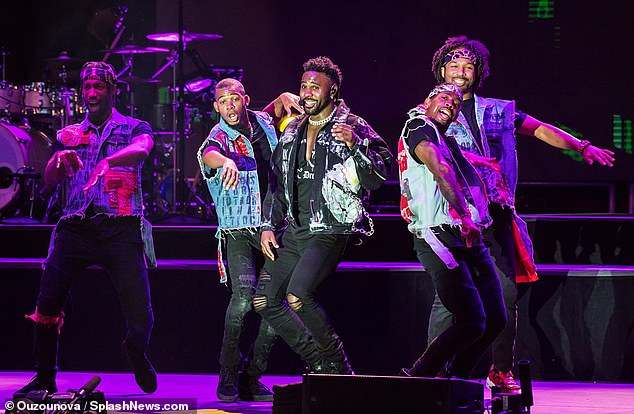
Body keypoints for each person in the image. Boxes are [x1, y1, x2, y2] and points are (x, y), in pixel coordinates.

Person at [427, 36, 616, 391]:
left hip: (494, 215)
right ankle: (432, 372)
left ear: (478, 73)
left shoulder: (497, 110)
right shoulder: (429, 112)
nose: (461, 72)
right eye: (453, 65)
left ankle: (500, 371)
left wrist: (582, 146)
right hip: (451, 217)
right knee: (448, 298)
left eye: (468, 67)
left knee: (505, 296)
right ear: (441, 69)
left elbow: (541, 129)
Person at [14, 61, 157, 397]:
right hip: (76, 226)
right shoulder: (69, 133)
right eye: (87, 87)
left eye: (99, 87)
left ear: (112, 90)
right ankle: (45, 378)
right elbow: (50, 180)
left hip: (119, 227)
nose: (92, 93)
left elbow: (143, 149)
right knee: (47, 304)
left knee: (141, 314)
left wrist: (110, 161)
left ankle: (135, 350)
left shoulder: (134, 127)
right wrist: (57, 161)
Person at [254, 56, 392, 374]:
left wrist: (358, 147)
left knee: (298, 295)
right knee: (264, 301)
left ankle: (338, 364)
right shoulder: (292, 132)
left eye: (315, 87)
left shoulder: (353, 125)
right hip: (295, 229)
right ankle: (318, 360)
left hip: (332, 226)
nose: (307, 92)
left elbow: (380, 176)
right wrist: (267, 226)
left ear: (332, 92)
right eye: (303, 86)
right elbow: (276, 184)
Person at [197, 78, 301, 402]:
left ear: (245, 100)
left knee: (272, 304)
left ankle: (251, 377)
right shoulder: (218, 137)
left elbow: (267, 114)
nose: (229, 105)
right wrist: (225, 161)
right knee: (243, 299)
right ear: (216, 106)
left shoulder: (262, 122)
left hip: (271, 225)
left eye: (235, 99)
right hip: (238, 228)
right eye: (222, 101)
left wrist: (282, 96)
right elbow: (209, 153)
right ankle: (227, 372)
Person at [398, 83, 507, 379]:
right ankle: (419, 380)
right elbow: (440, 168)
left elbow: (455, 162)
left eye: (457, 102)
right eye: (445, 97)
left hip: (466, 236)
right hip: (439, 234)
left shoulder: (442, 135)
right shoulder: (419, 125)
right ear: (428, 100)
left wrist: (485, 165)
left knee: (495, 318)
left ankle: (456, 382)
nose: (452, 103)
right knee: (472, 320)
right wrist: (464, 216)